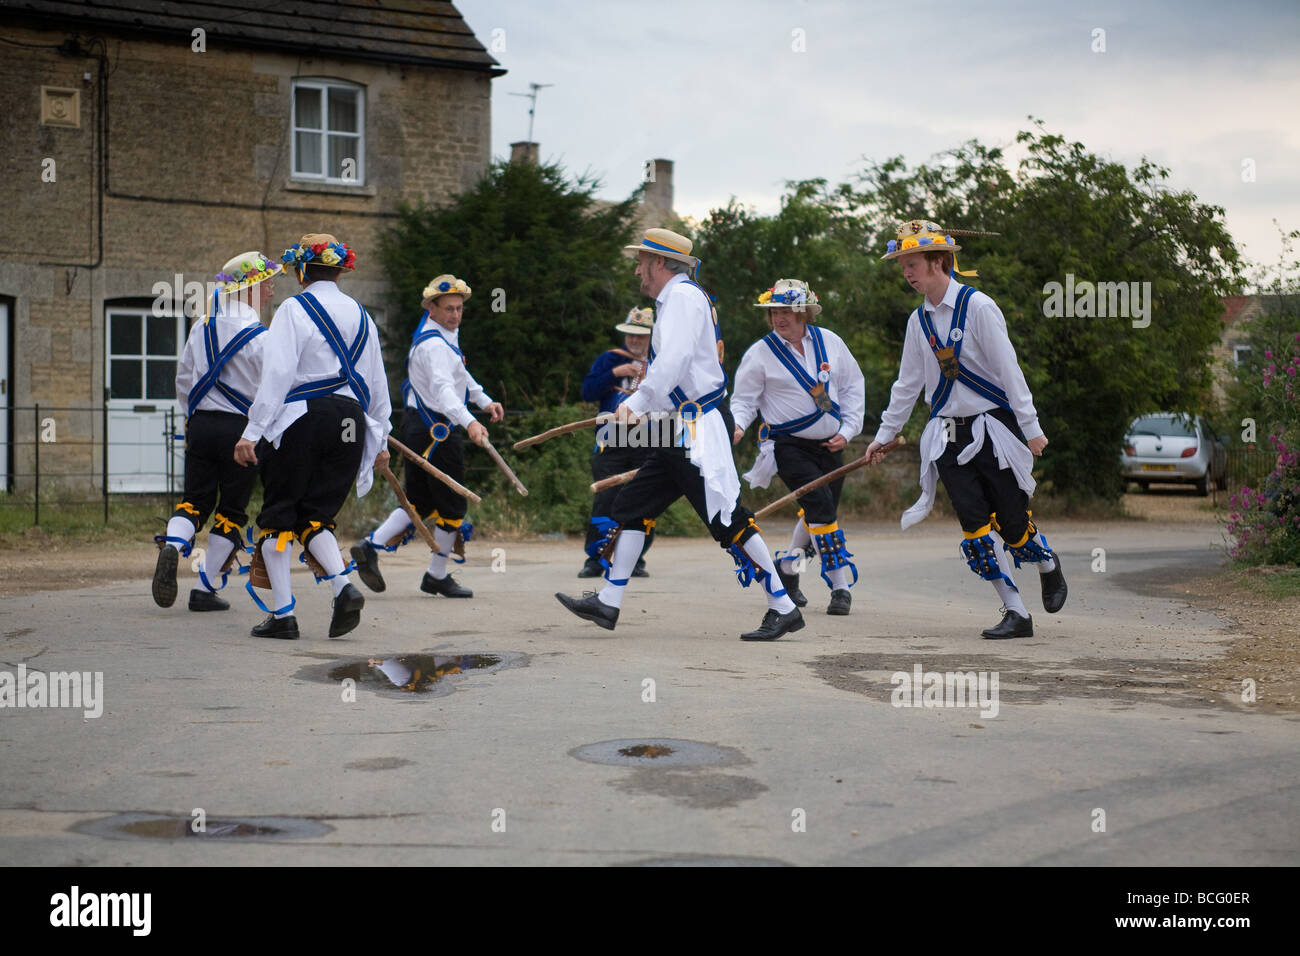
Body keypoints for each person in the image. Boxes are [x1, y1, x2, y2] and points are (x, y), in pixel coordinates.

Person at [555, 228, 804, 641]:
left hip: (695, 430)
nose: (637, 270)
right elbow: (672, 371)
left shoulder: (683, 299)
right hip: (676, 428)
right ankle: (609, 601)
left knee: (728, 520)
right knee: (634, 505)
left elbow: (673, 361)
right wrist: (646, 410)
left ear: (658, 262)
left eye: (640, 262)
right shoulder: (677, 300)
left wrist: (633, 407)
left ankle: (783, 604)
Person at [864, 220, 1067, 638]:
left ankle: (1046, 561)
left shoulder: (979, 307)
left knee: (1012, 526)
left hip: (994, 428)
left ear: (939, 261)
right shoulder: (916, 322)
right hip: (948, 436)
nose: (905, 271)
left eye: (912, 262)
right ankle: (1016, 612)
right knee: (975, 529)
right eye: (902, 263)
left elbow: (1010, 372)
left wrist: (1031, 427)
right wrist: (884, 435)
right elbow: (906, 385)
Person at [233, 233, 392, 640]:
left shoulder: (293, 308)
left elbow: (278, 375)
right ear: (340, 269)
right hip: (352, 421)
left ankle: (284, 615)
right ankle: (342, 586)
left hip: (304, 416)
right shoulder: (362, 314)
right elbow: (377, 381)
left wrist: (252, 431)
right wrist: (382, 440)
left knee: (278, 515)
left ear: (302, 270)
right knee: (317, 515)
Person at [349, 274, 504, 599]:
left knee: (417, 501)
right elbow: (445, 392)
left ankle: (370, 546)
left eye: (459, 308)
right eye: (448, 308)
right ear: (431, 308)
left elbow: (460, 376)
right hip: (437, 431)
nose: (455, 315)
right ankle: (435, 574)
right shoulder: (433, 345)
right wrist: (470, 422)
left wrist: (484, 401)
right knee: (452, 506)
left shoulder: (442, 337)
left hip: (423, 428)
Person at [731, 278, 866, 615]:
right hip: (788, 446)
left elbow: (852, 387)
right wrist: (735, 425)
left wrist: (849, 430)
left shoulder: (831, 342)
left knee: (817, 514)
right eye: (774, 310)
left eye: (788, 309)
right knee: (821, 509)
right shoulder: (760, 353)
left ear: (804, 311)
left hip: (832, 445)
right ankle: (840, 588)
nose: (780, 317)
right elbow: (744, 401)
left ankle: (789, 571)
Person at [153, 251, 278, 611]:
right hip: (241, 431)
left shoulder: (201, 325)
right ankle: (205, 589)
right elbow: (271, 391)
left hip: (202, 424)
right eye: (267, 285)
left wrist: (193, 418)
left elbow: (183, 381)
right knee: (232, 510)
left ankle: (174, 547)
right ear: (251, 289)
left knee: (195, 499)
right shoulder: (261, 338)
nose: (271, 292)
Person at [578, 306, 656, 578]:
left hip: (648, 439)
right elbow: (587, 392)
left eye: (641, 336)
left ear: (651, 336)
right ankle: (596, 557)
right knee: (605, 497)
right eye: (630, 335)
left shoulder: (660, 362)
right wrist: (614, 373)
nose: (635, 341)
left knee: (643, 498)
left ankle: (634, 558)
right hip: (610, 440)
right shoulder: (609, 360)